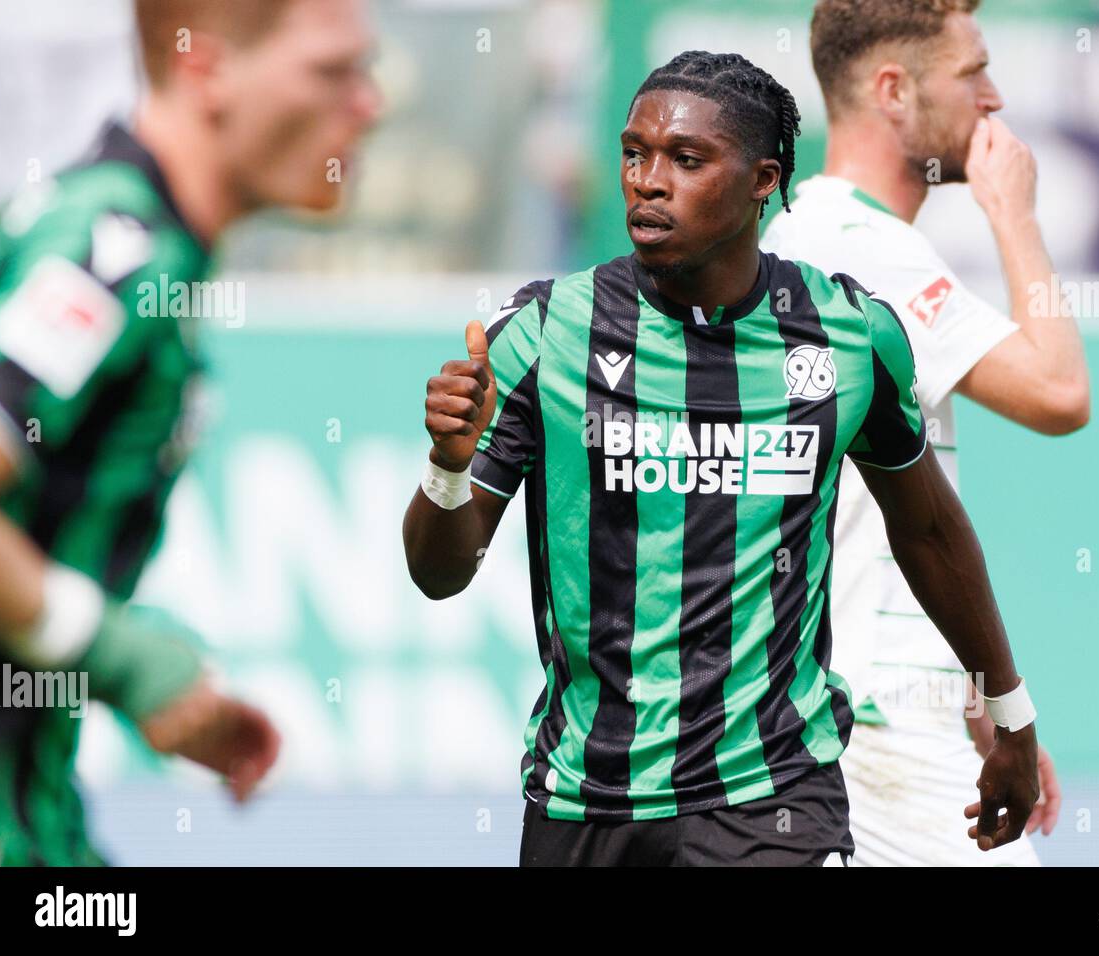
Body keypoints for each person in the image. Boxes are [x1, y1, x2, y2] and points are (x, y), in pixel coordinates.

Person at [404, 50, 1040, 867]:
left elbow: (928, 530)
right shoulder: (545, 333)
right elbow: (438, 571)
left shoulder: (848, 334)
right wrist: (447, 466)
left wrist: (1010, 714)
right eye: (635, 153)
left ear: (762, 181)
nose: (648, 180)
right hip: (584, 803)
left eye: (687, 159)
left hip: (773, 797)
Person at [0, 0, 382, 865]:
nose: (369, 104)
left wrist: (135, 668)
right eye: (331, 70)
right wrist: (112, 654)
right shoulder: (114, 247)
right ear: (204, 67)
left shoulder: (144, 244)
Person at [761, 0, 1088, 865]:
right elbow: (1059, 390)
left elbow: (875, 518)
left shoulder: (817, 232)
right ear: (894, 89)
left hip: (876, 705)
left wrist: (978, 701)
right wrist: (1013, 213)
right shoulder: (858, 245)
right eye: (973, 71)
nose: (995, 97)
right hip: (882, 723)